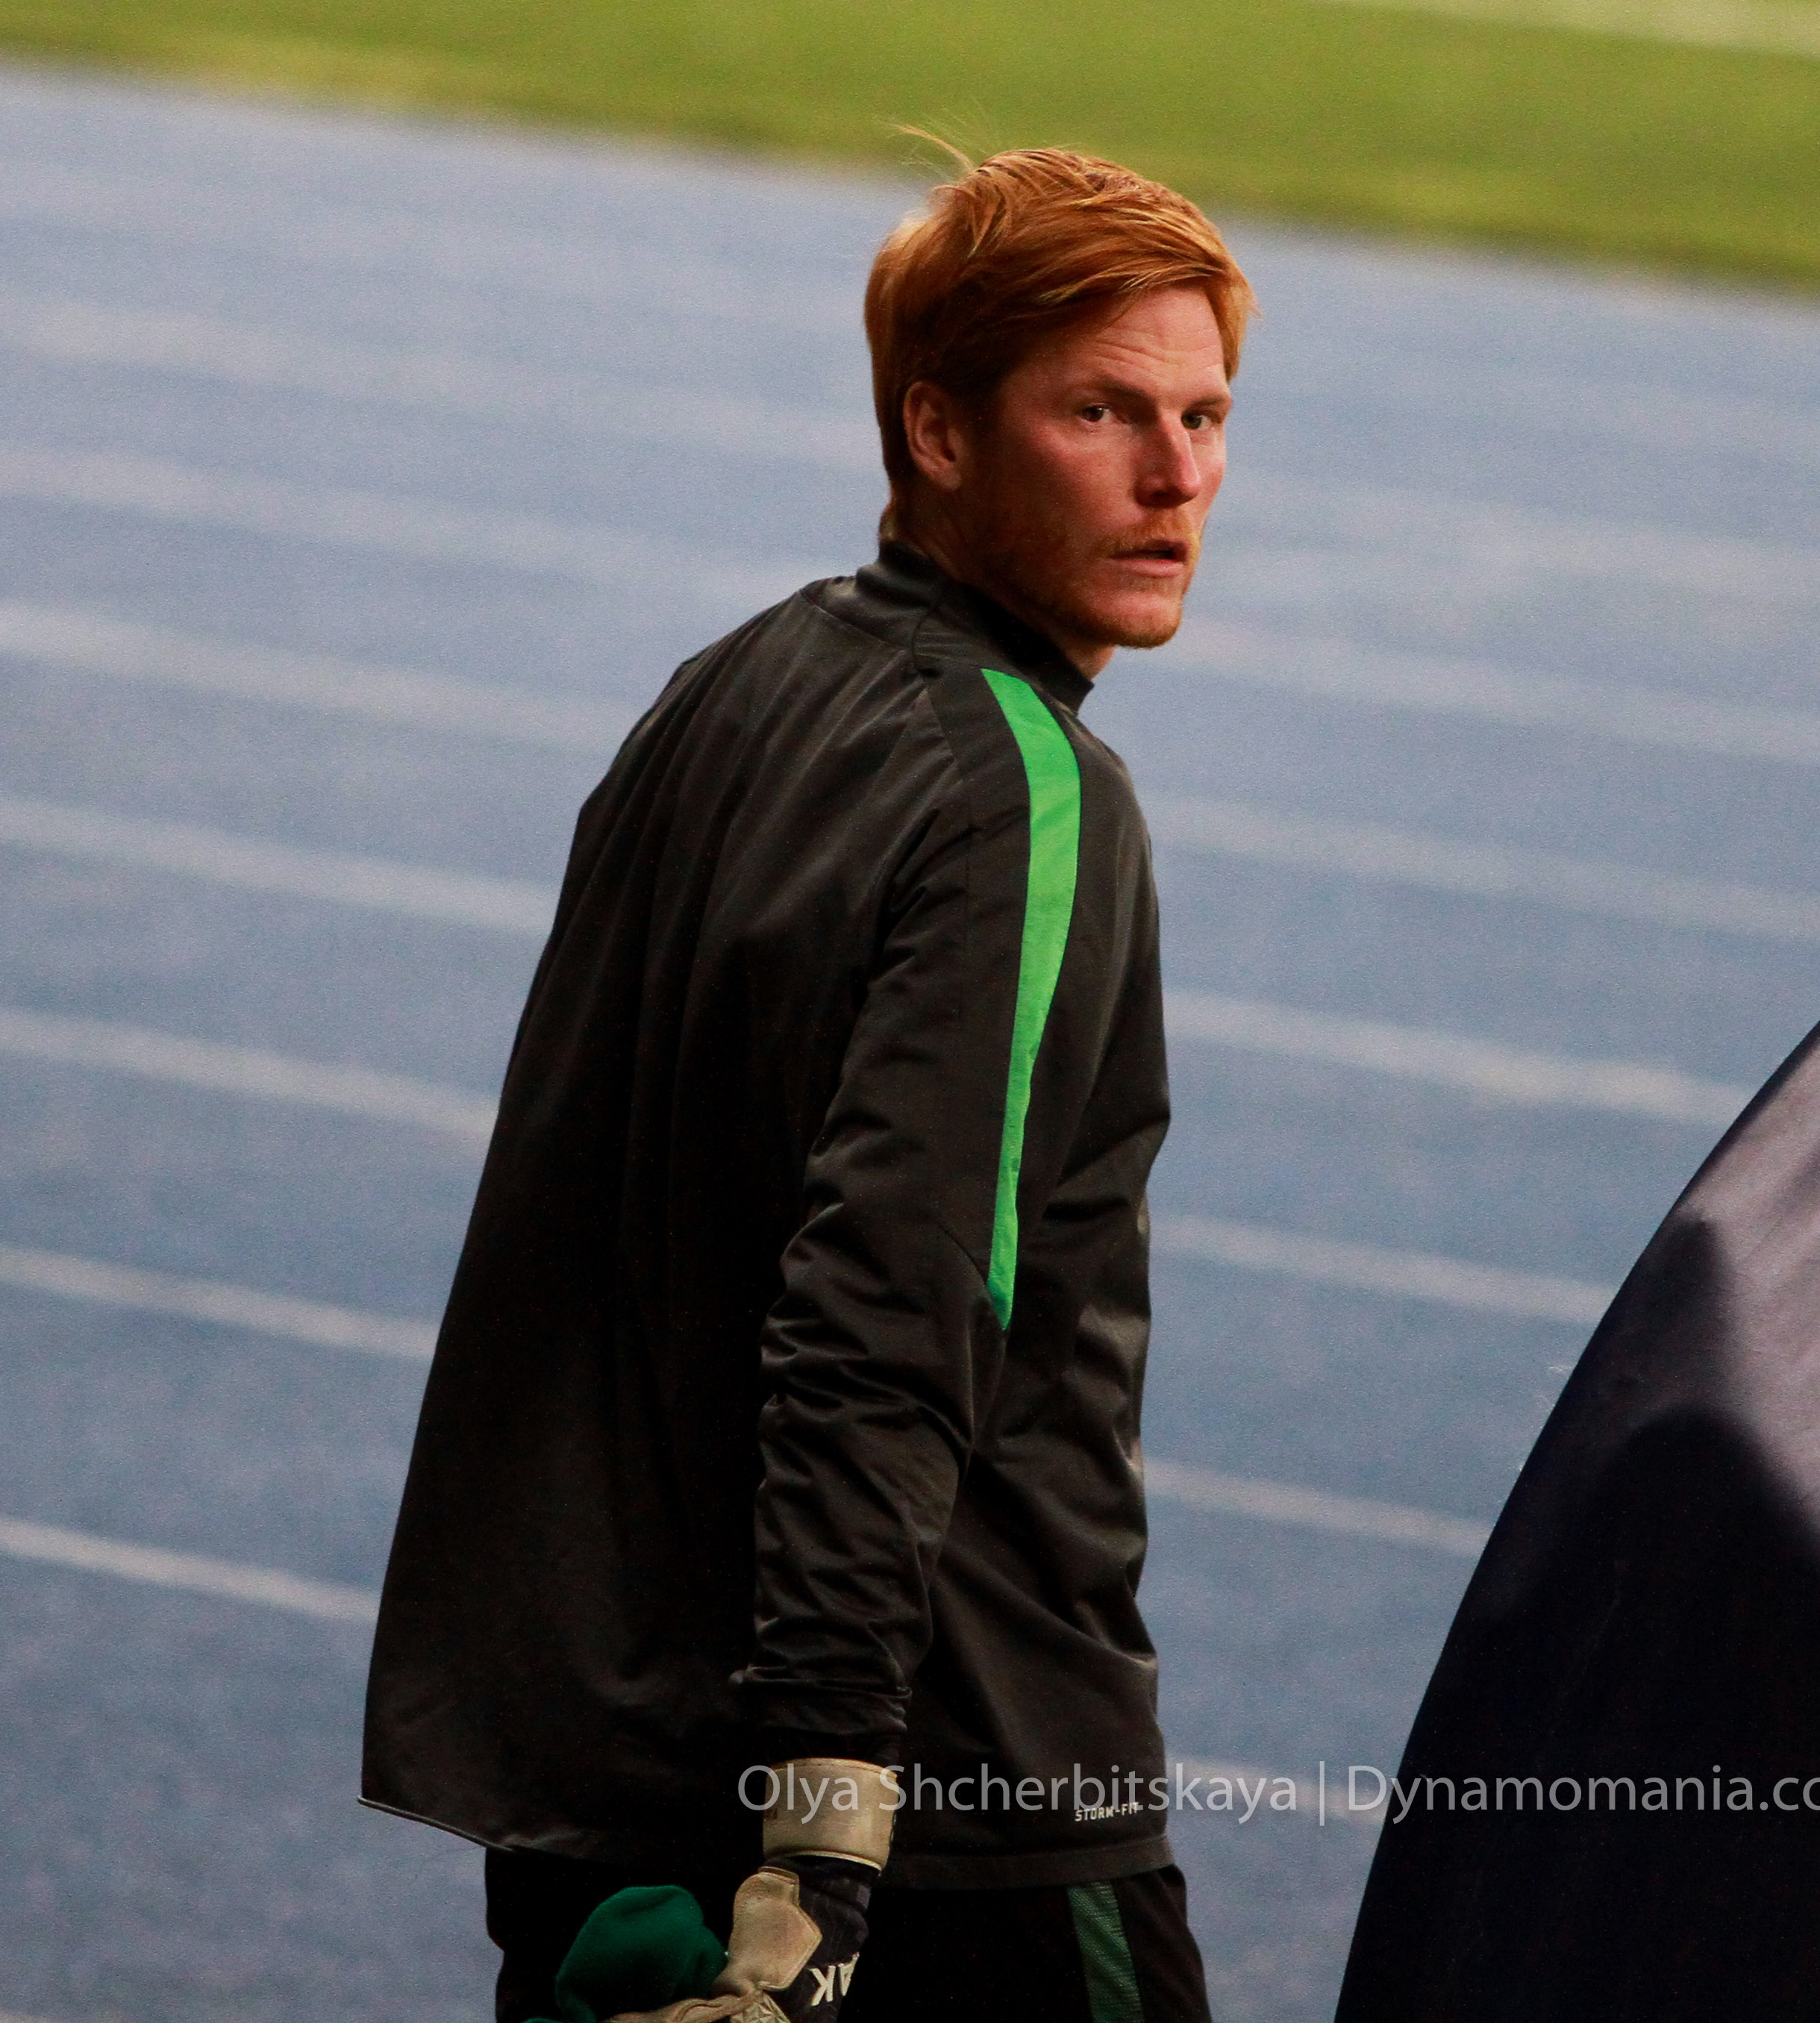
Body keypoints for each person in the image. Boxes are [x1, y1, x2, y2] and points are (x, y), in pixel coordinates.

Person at [360, 145, 1251, 2023]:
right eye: (1100, 412)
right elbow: (886, 1312)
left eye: (1203, 417)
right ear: (937, 429)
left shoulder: (731, 687)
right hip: (931, 1808)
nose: (1175, 479)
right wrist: (827, 1827)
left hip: (614, 1792)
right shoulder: (1023, 798)